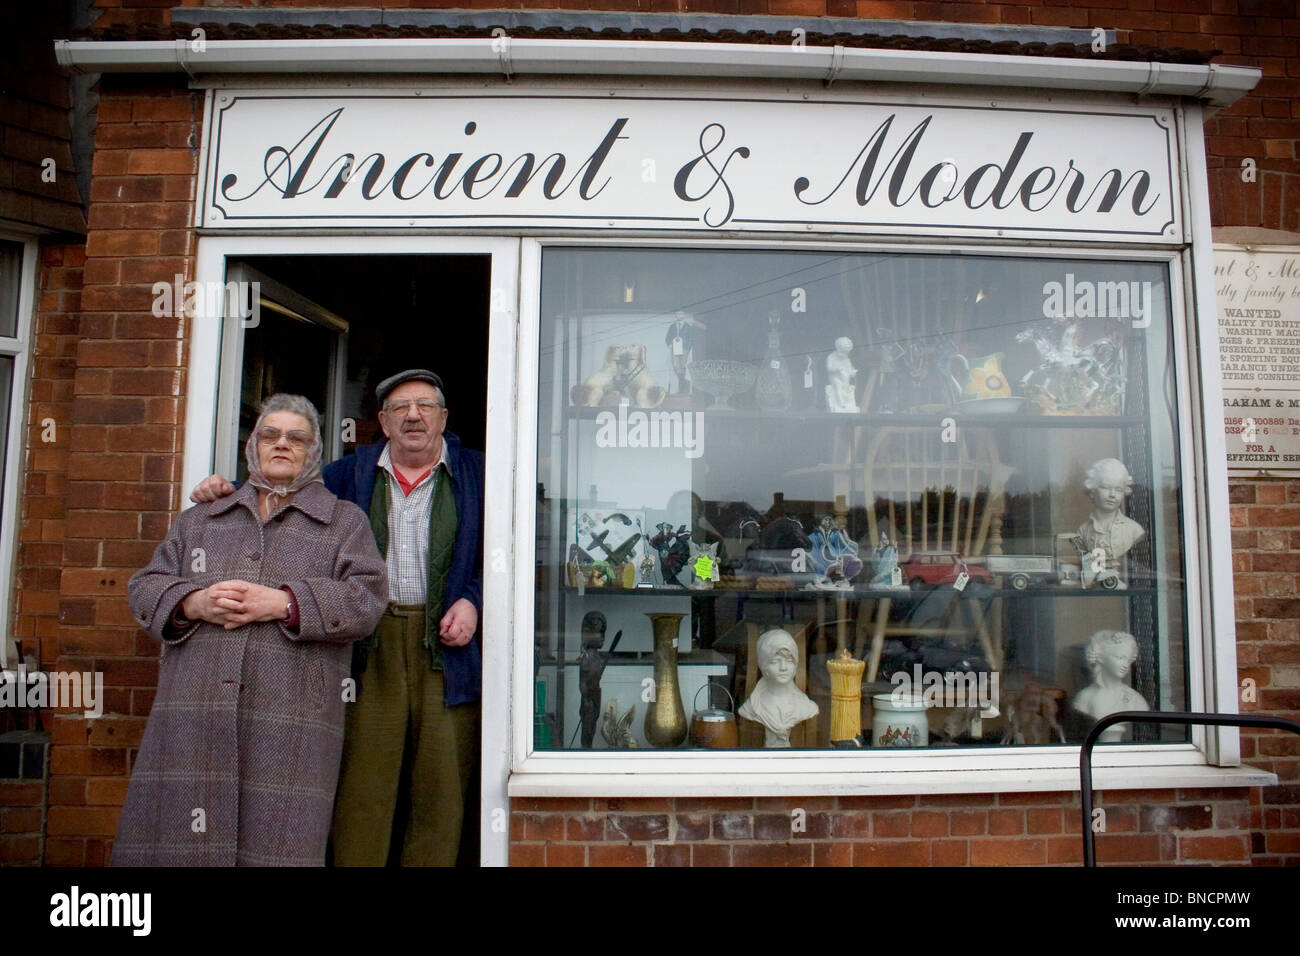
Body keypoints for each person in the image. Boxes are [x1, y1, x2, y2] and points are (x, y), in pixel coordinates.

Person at [191, 370, 484, 867]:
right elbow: (287, 490)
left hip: (447, 650)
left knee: (442, 790)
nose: (414, 415)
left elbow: (507, 555)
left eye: (425, 406)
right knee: (362, 789)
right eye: (400, 408)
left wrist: (474, 600)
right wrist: (231, 489)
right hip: (366, 645)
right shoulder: (350, 473)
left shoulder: (479, 473)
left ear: (444, 418)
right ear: (383, 424)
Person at [115, 394, 388, 866]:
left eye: (296, 438)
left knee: (277, 846)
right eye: (270, 435)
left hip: (291, 724)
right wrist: (193, 601)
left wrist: (284, 602)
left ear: (313, 451)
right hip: (195, 717)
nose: (282, 444)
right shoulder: (202, 518)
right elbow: (144, 588)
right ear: (252, 446)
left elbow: (366, 601)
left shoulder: (344, 523)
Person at [738, 628, 819, 748]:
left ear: (796, 664)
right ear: (764, 665)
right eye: (775, 661)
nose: (783, 667)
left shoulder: (807, 708)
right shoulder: (751, 709)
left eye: (789, 660)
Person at [1074, 457, 1145, 587]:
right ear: (1093, 491)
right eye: (1106, 487)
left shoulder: (1134, 530)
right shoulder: (1083, 531)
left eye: (1118, 489)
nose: (1112, 494)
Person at [1072, 629, 1149, 743]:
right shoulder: (1085, 697)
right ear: (1101, 657)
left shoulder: (1135, 700)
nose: (1125, 665)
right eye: (1120, 658)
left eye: (1128, 660)